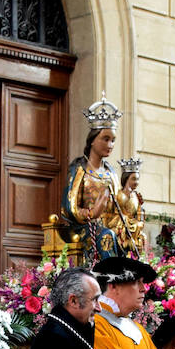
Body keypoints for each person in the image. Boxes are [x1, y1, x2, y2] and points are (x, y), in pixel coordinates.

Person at [63, 93, 124, 266]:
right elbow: (69, 207)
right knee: (106, 236)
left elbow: (119, 205)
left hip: (110, 227)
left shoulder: (111, 173)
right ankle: (111, 282)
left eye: (113, 140)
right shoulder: (79, 169)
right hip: (83, 229)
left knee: (121, 237)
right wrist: (92, 213)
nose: (110, 145)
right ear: (92, 140)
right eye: (106, 139)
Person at [112, 158, 149, 257]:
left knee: (143, 237)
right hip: (121, 223)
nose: (136, 182)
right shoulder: (119, 194)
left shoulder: (136, 196)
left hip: (134, 225)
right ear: (126, 179)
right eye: (133, 179)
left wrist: (140, 221)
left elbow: (139, 211)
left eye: (137, 179)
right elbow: (114, 211)